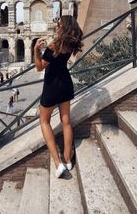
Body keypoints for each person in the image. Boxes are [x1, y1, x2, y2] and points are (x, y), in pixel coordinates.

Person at [34, 15, 83, 178]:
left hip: (51, 86)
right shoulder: (71, 43)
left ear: (65, 26)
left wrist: (36, 50)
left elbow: (40, 67)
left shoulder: (54, 45)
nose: (57, 26)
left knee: (44, 121)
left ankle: (58, 163)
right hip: (66, 83)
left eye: (59, 23)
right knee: (66, 121)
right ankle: (68, 159)